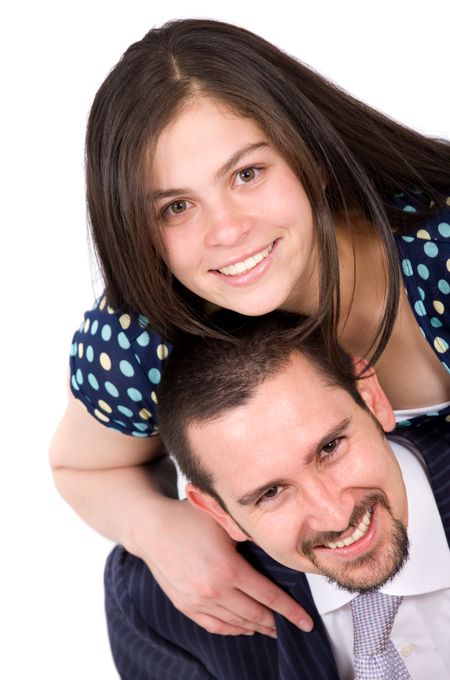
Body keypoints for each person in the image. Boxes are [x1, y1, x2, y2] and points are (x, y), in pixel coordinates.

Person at [49, 18, 450, 638]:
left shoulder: (440, 254)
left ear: (309, 160)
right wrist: (159, 533)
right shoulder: (144, 337)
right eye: (176, 207)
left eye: (247, 174)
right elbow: (82, 468)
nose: (227, 230)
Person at [105, 311, 450, 679]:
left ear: (370, 398)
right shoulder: (155, 610)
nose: (334, 515)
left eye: (331, 447)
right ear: (219, 512)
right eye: (270, 493)